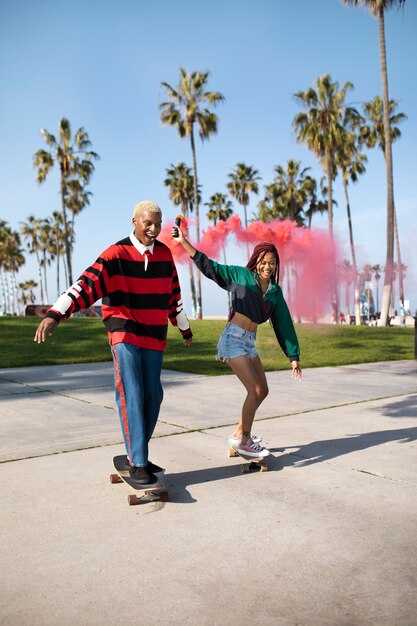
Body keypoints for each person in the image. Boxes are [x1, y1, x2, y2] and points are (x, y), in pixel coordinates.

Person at [34, 201, 193, 485]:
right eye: (148, 223)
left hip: (154, 333)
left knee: (153, 395)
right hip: (123, 329)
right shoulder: (115, 254)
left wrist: (184, 328)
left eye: (158, 224)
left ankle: (137, 452)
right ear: (134, 221)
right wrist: (56, 314)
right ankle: (139, 461)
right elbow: (85, 285)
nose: (154, 228)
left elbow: (174, 295)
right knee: (131, 391)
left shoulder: (165, 256)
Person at [172, 224, 301, 459]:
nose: (267, 266)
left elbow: (284, 323)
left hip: (250, 342)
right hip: (233, 339)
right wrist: (183, 242)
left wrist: (293, 357)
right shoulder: (239, 275)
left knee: (263, 390)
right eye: (264, 261)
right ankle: (244, 441)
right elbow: (210, 267)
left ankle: (238, 434)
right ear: (256, 261)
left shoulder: (274, 291)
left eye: (272, 263)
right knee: (253, 390)